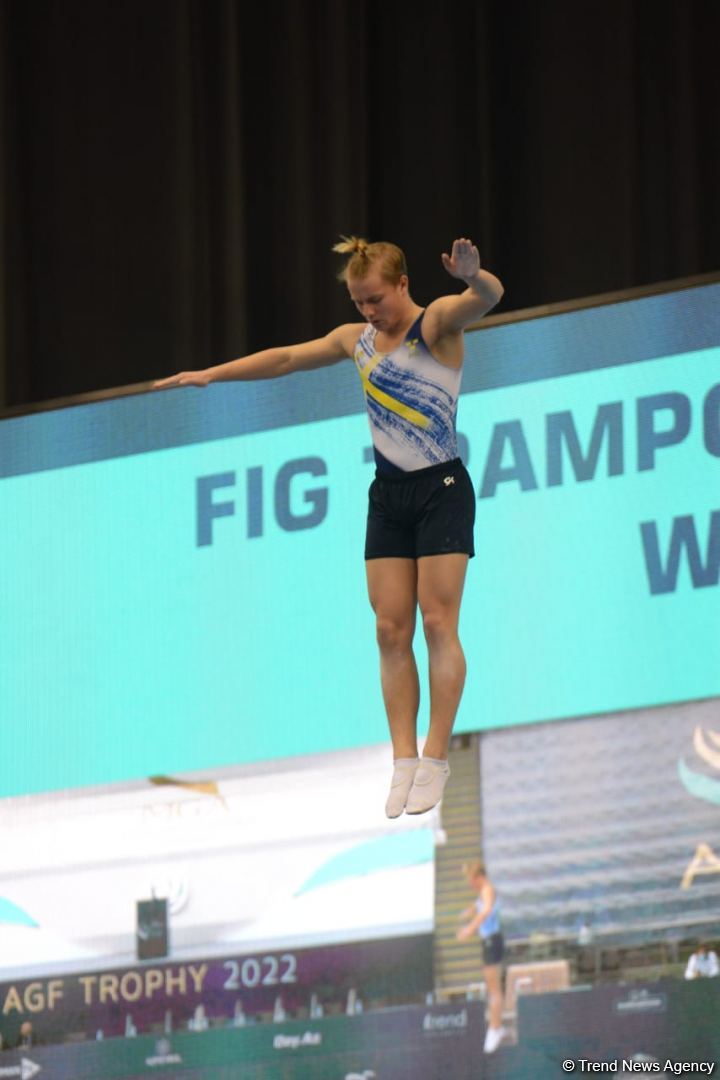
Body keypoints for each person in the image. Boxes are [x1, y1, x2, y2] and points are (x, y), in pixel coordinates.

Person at [154, 236, 503, 816]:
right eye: (359, 302)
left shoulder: (436, 324)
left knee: (438, 620)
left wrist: (475, 275)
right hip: (389, 496)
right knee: (390, 630)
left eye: (375, 300)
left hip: (442, 489)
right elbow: (287, 358)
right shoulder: (356, 340)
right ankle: (402, 761)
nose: (368, 312)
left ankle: (435, 755)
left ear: (402, 285)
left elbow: (487, 299)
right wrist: (213, 373)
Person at [457, 859, 506, 1054]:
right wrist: (470, 910)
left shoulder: (487, 890)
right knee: (492, 987)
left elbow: (486, 910)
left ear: (478, 876)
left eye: (470, 879)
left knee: (494, 989)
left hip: (492, 941)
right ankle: (496, 1025)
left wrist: (469, 929)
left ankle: (495, 1029)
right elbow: (480, 906)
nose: (470, 884)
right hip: (490, 941)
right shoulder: (483, 892)